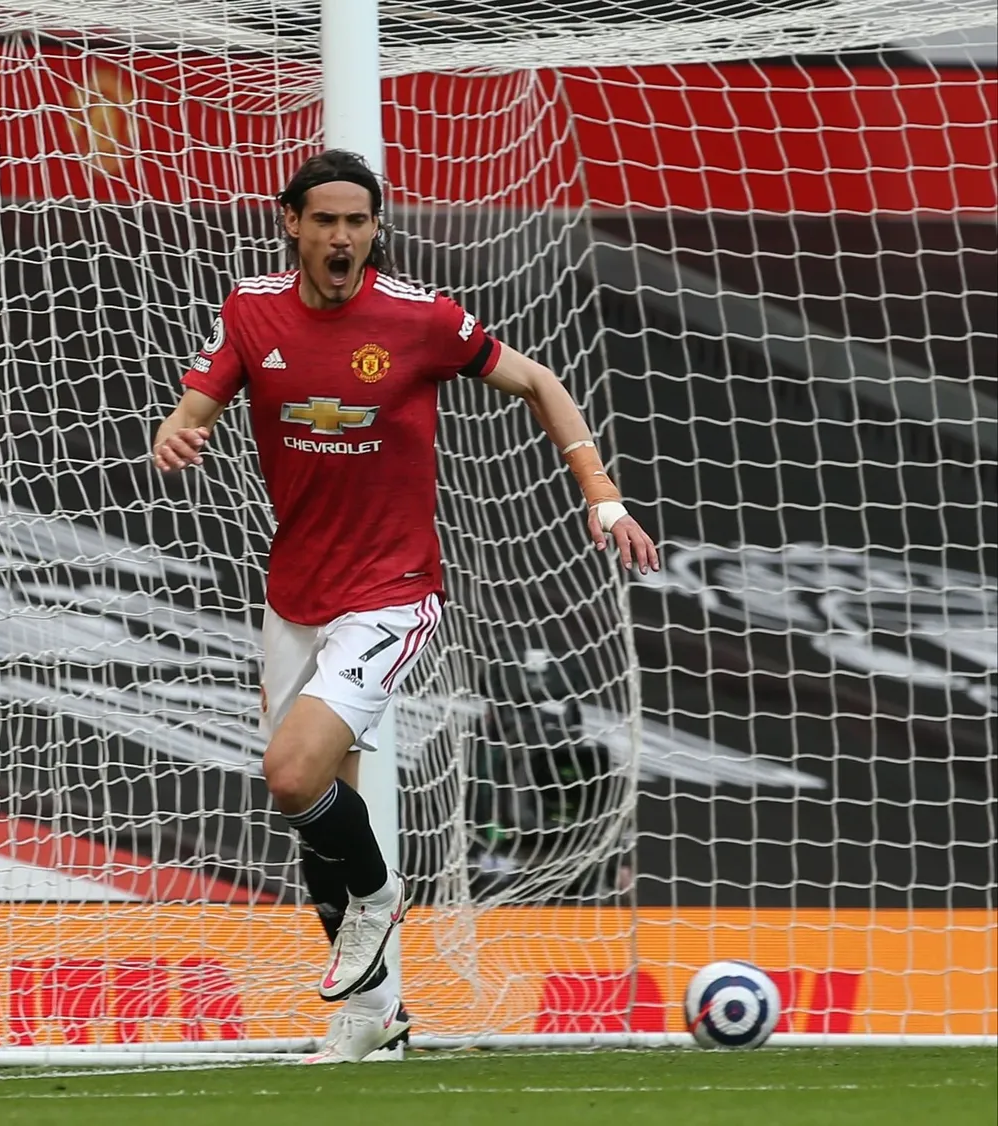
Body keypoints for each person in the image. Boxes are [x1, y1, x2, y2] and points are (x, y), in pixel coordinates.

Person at [152, 149, 659, 1063]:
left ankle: (382, 898)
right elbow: (195, 407)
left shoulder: (422, 320)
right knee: (318, 815)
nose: (342, 236)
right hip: (294, 593)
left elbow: (539, 381)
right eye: (326, 221)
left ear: (374, 227)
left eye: (358, 221)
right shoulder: (249, 309)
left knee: (292, 776)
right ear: (292, 225)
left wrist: (602, 493)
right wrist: (177, 431)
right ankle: (372, 1016)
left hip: (391, 591)